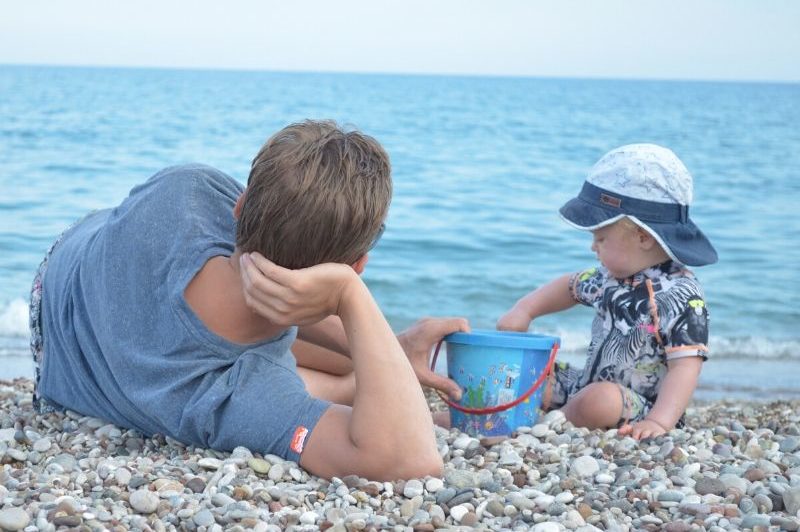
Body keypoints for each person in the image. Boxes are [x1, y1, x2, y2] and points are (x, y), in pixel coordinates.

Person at [30, 119, 467, 481]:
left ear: (239, 207)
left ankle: (383, 363)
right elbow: (409, 461)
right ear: (357, 265)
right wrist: (352, 299)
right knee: (327, 378)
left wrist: (387, 342)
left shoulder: (189, 189)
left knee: (334, 354)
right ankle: (365, 379)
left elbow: (265, 261)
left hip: (68, 262)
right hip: (56, 350)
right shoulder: (228, 396)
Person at [497, 144, 717, 440]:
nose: (593, 246)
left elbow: (685, 367)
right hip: (585, 385)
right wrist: (524, 310)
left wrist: (659, 421)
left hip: (636, 406)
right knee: (528, 372)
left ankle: (546, 428)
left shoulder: (682, 295)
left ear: (642, 237)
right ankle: (492, 414)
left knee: (599, 400)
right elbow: (568, 286)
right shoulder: (608, 277)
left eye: (601, 237)